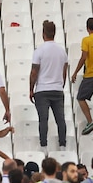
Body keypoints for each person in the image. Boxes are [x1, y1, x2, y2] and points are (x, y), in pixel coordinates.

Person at [30, 20, 68, 154]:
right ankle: (62, 145)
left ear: (43, 33)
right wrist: (60, 84)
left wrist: (31, 89)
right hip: (57, 89)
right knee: (60, 119)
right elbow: (64, 71)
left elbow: (34, 72)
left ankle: (44, 146)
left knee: (43, 119)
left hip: (42, 90)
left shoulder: (39, 50)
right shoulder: (61, 51)